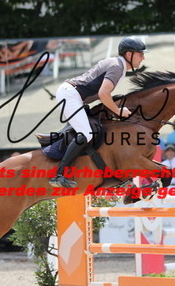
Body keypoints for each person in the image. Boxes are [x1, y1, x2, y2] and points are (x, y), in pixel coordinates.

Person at [48, 36, 147, 188]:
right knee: (86, 134)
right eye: (140, 54)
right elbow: (103, 93)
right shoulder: (117, 67)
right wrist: (118, 111)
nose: (143, 58)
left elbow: (103, 94)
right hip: (71, 95)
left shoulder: (117, 64)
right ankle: (59, 175)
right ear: (129, 54)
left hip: (75, 96)